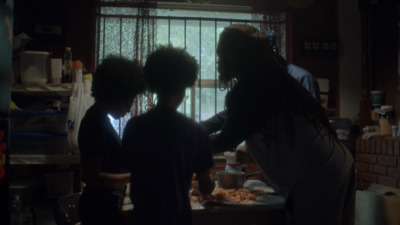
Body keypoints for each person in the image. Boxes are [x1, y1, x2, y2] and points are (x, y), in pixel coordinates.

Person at [204, 24, 355, 225]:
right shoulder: (268, 79)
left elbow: (228, 138)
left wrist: (189, 143)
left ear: (232, 55)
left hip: (316, 176)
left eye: (220, 54)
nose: (218, 61)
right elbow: (231, 116)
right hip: (335, 165)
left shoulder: (250, 88)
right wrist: (196, 130)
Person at [121, 45, 216, 225]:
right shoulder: (196, 131)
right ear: (184, 87)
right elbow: (206, 188)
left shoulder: (135, 126)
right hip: (178, 218)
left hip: (141, 218)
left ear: (152, 83)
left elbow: (129, 169)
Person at [77, 55, 145, 225]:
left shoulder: (101, 119)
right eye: (128, 104)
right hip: (98, 210)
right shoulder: (94, 123)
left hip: (105, 205)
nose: (128, 110)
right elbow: (91, 177)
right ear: (114, 95)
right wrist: (133, 176)